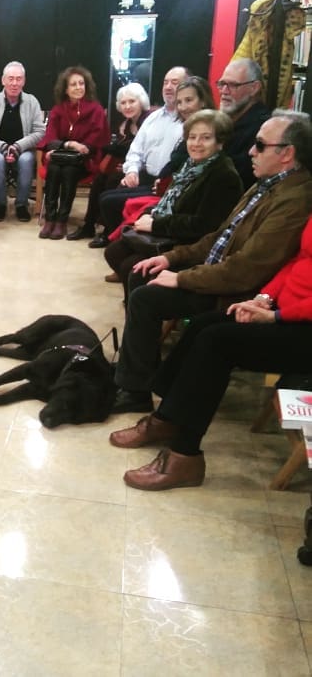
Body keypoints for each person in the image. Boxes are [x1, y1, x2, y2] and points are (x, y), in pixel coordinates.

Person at [111, 110, 312, 415]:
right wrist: (169, 258)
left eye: (260, 145)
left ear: (287, 154)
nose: (251, 151)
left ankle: (136, 388)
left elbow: (246, 269)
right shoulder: (266, 185)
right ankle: (138, 378)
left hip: (237, 291)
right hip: (219, 272)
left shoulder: (294, 199)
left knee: (146, 295)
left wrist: (181, 277)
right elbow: (218, 236)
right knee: (143, 273)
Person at [109, 215, 312, 490]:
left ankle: (185, 455)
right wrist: (264, 299)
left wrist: (278, 316)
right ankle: (167, 419)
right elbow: (299, 260)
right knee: (204, 325)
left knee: (217, 342)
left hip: (301, 326)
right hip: (281, 312)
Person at [103, 109, 242, 298]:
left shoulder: (223, 175)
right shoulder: (191, 165)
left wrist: (156, 224)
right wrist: (150, 213)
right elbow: (170, 200)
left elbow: (204, 225)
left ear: (220, 141)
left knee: (134, 269)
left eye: (206, 138)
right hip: (168, 230)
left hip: (190, 243)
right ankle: (134, 302)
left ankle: (139, 311)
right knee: (114, 251)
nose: (196, 143)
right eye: (192, 137)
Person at [97, 66, 189, 240]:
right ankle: (115, 236)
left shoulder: (188, 122)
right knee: (105, 194)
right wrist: (131, 170)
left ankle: (121, 239)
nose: (168, 87)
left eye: (175, 82)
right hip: (145, 176)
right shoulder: (154, 117)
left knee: (109, 199)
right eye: (165, 82)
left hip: (165, 184)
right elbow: (135, 150)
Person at [67, 82, 151, 242]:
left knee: (112, 180)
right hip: (127, 167)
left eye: (132, 101)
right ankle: (89, 225)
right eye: (124, 103)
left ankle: (108, 231)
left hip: (144, 171)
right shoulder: (125, 125)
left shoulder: (149, 122)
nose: (127, 106)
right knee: (100, 178)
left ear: (141, 101)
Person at [37, 66, 110, 240]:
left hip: (84, 161)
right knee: (55, 168)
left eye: (81, 83)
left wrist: (76, 147)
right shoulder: (58, 110)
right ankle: (50, 218)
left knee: (68, 171)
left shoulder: (96, 110)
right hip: (60, 158)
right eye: (73, 85)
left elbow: (93, 144)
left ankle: (61, 220)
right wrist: (70, 144)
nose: (78, 87)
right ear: (66, 89)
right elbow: (50, 137)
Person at [0, 61, 45, 222]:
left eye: (18, 79)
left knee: (26, 159)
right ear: (3, 80)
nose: (14, 83)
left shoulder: (32, 102)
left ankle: (21, 205)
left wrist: (18, 147)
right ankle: (0, 205)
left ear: (24, 81)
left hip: (23, 150)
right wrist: (2, 147)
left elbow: (40, 131)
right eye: (11, 79)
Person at [216, 58, 272, 191]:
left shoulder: (264, 128)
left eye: (233, 85)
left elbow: (237, 177)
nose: (224, 91)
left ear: (254, 88)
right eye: (222, 83)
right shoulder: (220, 121)